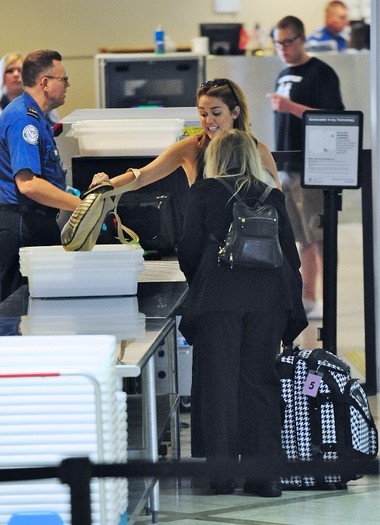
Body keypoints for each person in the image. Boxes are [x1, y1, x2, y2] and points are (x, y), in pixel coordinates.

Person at [177, 129, 307, 496]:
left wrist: (201, 278)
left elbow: (187, 248)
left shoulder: (204, 192)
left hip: (219, 299)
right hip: (268, 301)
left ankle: (220, 477)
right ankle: (264, 477)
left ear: (216, 157)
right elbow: (290, 256)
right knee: (259, 382)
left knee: (218, 385)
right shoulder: (271, 195)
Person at [267, 16, 345, 319]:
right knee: (302, 238)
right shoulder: (283, 74)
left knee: (321, 236)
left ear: (301, 40)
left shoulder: (320, 73)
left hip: (313, 168)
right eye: (278, 43)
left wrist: (291, 108)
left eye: (288, 42)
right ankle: (308, 297)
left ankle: (330, 298)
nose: (283, 48)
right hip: (288, 168)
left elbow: (335, 117)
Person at [89, 78, 281, 191]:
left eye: (216, 113)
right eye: (203, 114)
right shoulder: (191, 148)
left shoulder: (258, 151)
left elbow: (276, 200)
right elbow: (143, 176)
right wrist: (107, 186)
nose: (208, 121)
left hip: (250, 247)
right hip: (208, 244)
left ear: (235, 112)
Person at [0, 49, 81, 302]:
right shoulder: (24, 119)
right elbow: (29, 185)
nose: (68, 85)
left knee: (40, 307)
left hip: (35, 220)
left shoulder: (38, 117)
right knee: (16, 308)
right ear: (45, 83)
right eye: (63, 79)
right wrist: (81, 207)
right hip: (22, 224)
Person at [0, 52, 60, 127]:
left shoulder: (43, 102)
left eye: (20, 70)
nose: (15, 74)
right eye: (10, 71)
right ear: (1, 75)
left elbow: (56, 131)